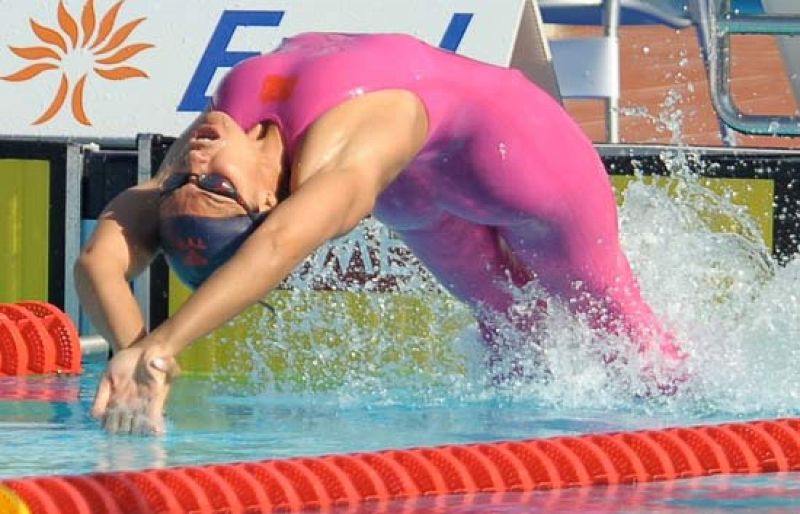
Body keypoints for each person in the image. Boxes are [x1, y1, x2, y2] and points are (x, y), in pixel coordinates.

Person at [76, 32, 685, 435]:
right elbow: (280, 244)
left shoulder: (224, 130)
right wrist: (147, 353)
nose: (195, 160)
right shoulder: (331, 169)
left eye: (186, 179)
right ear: (266, 201)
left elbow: (98, 259)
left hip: (522, 162)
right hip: (419, 192)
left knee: (618, 324)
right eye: (211, 185)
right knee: (508, 332)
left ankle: (681, 407)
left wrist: (148, 349)